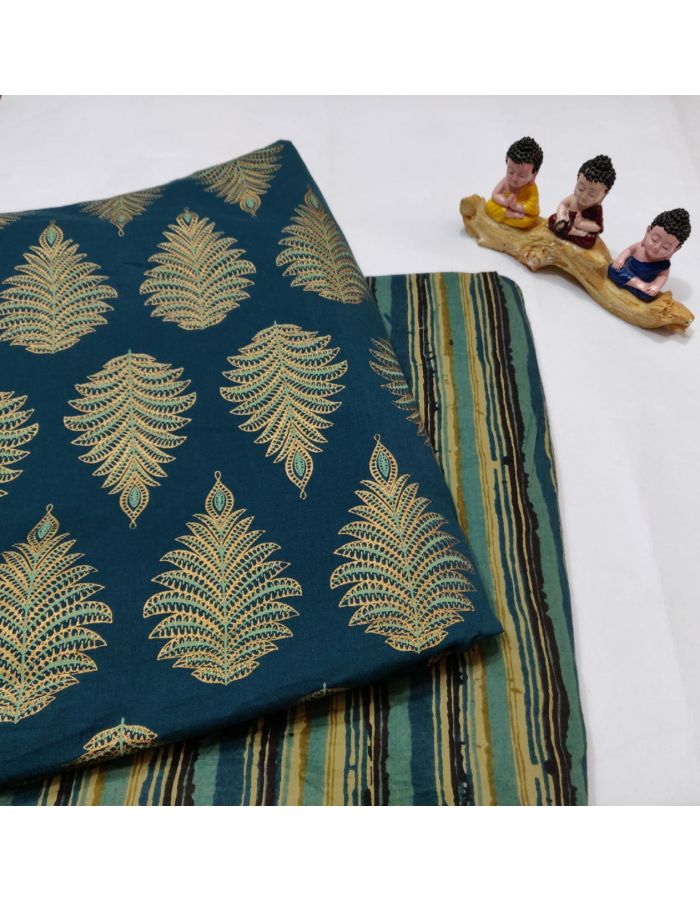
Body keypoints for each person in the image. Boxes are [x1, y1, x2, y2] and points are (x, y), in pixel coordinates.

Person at [607, 208, 691, 301]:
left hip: (644, 284)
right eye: (654, 239)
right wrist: (621, 259)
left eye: (665, 247)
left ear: (676, 249)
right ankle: (636, 283)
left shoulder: (663, 264)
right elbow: (629, 250)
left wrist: (656, 287)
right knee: (613, 269)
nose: (656, 247)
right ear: (648, 231)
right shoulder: (639, 247)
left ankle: (631, 285)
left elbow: (663, 276)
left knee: (648, 295)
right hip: (628, 274)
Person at [548, 155, 616, 249]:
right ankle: (568, 231)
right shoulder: (573, 198)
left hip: (581, 232)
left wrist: (581, 224)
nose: (583, 196)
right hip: (567, 223)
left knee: (589, 240)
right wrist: (561, 216)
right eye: (581, 188)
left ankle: (569, 233)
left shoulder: (596, 209)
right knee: (552, 219)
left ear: (604, 194)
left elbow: (597, 226)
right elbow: (563, 204)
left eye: (591, 194)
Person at [485, 136, 544, 229]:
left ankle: (506, 217)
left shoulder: (531, 188)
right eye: (511, 172)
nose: (514, 179)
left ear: (534, 175)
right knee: (489, 205)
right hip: (505, 208)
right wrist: (505, 202)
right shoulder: (505, 181)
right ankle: (508, 214)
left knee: (527, 220)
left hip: (520, 212)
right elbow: (495, 194)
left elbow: (533, 208)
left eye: (521, 175)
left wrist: (517, 206)